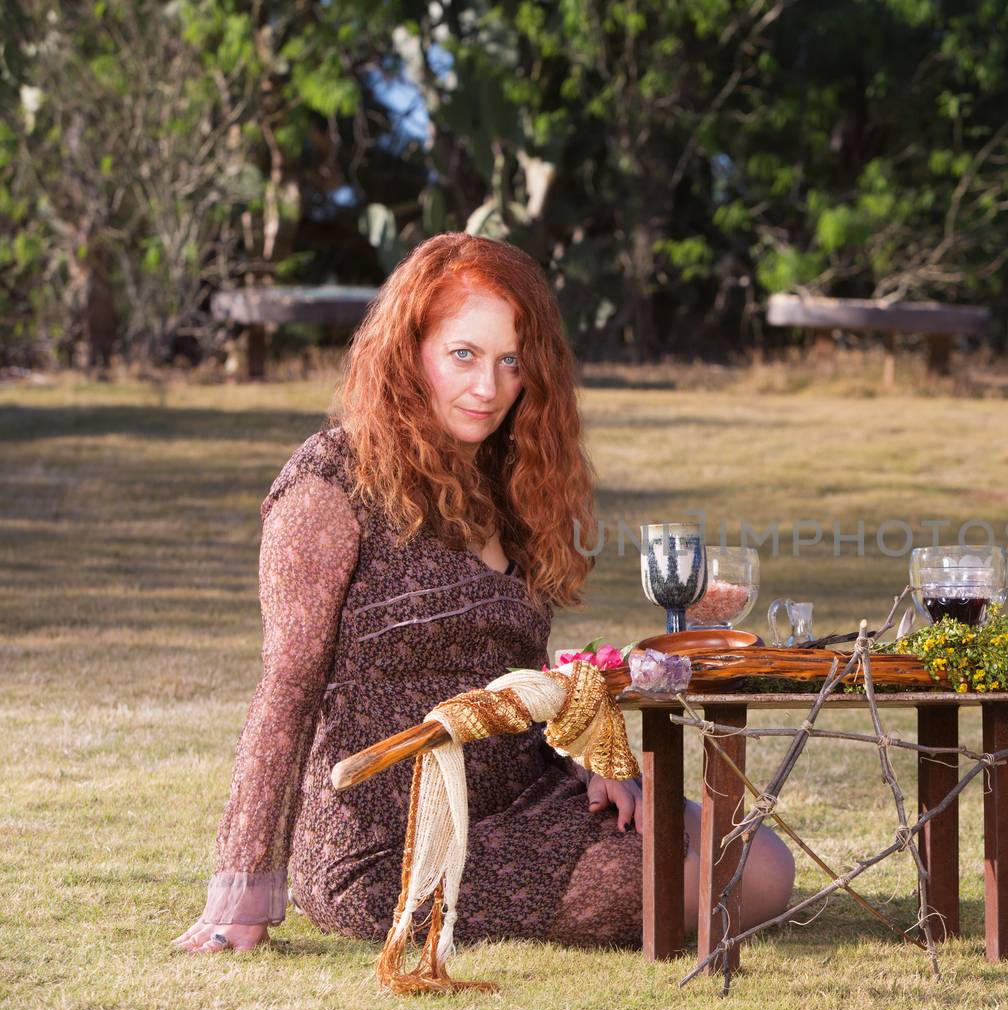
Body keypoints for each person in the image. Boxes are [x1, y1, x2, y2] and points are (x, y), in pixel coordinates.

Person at [173, 233, 794, 955]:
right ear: (409, 350)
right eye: (463, 354)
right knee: (697, 883)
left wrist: (584, 760)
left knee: (763, 862)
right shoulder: (329, 480)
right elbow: (286, 684)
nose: (489, 388)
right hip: (393, 835)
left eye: (510, 361)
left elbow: (515, 681)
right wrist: (242, 889)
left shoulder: (512, 482)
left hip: (527, 792)